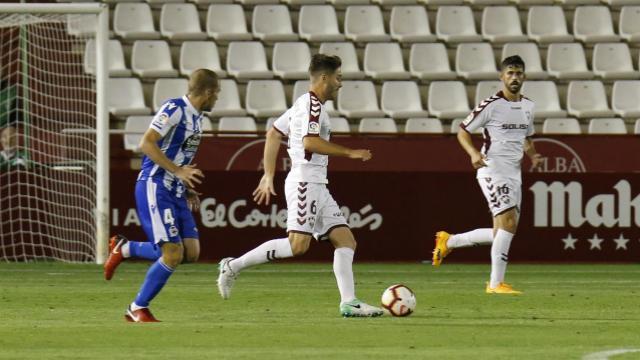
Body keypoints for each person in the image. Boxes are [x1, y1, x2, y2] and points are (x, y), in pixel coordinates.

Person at [216, 54, 384, 317]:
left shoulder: (302, 104)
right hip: (306, 181)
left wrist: (269, 175)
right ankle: (233, 266)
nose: (341, 84)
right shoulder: (311, 106)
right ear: (325, 78)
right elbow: (309, 142)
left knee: (346, 240)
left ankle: (349, 302)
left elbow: (273, 133)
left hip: (317, 183)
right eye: (338, 77)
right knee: (297, 246)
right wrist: (351, 153)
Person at [103, 69, 219, 322]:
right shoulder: (174, 108)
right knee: (172, 253)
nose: (217, 99)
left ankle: (126, 248)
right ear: (209, 92)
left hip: (176, 190)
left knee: (190, 253)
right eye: (217, 94)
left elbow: (178, 153)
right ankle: (137, 307)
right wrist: (177, 170)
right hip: (155, 185)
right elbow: (146, 143)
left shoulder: (198, 118)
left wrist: (184, 183)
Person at [432, 55, 544, 295]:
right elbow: (462, 131)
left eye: (518, 73)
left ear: (524, 77)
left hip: (514, 173)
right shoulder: (491, 105)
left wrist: (533, 155)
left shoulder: (528, 106)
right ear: (502, 77)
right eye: (510, 73)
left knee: (503, 231)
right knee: (508, 223)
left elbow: (526, 136)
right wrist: (473, 153)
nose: (514, 77)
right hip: (492, 169)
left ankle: (450, 241)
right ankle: (495, 284)